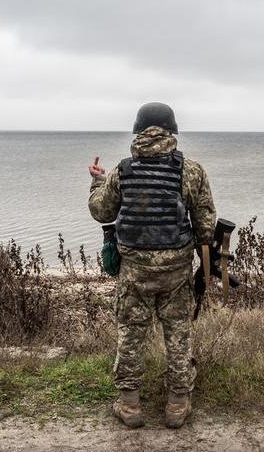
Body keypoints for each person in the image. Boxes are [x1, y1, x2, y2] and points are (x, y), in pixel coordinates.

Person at [88, 102, 216, 429]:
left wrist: (96, 182)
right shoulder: (192, 170)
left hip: (134, 272)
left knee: (131, 335)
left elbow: (102, 212)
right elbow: (204, 226)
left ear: (138, 130)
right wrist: (207, 262)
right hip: (176, 270)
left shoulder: (122, 170)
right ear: (171, 130)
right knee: (178, 335)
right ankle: (177, 404)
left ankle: (129, 406)